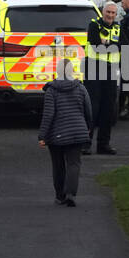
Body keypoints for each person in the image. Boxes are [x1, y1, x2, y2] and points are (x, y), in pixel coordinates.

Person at [38, 58, 93, 206]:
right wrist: (88, 126)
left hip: (56, 134)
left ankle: (60, 195)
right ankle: (71, 194)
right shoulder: (80, 88)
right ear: (71, 71)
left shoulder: (51, 90)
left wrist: (42, 135)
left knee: (58, 165)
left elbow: (48, 114)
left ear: (57, 71)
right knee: (74, 163)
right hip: (77, 131)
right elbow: (88, 110)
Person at [82, 0, 121, 155]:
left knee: (108, 109)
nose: (110, 15)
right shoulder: (94, 25)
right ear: (102, 12)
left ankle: (103, 144)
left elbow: (124, 45)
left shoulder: (118, 28)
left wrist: (107, 43)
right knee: (92, 108)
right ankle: (85, 143)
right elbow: (95, 44)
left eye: (113, 13)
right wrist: (110, 44)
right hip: (94, 68)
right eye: (108, 12)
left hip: (110, 70)